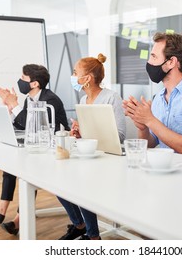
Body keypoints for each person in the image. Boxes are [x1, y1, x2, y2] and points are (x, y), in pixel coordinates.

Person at [0, 64, 69, 235]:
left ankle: (19, 220)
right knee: (11, 162)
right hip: (39, 144)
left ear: (35, 84)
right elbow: (23, 123)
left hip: (55, 148)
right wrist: (10, 108)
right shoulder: (30, 99)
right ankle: (1, 208)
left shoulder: (50, 100)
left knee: (28, 170)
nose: (20, 81)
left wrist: (15, 105)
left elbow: (36, 125)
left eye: (23, 78)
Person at [57, 53, 126, 240]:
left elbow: (119, 136)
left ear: (87, 78)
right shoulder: (82, 101)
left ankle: (93, 236)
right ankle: (80, 225)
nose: (72, 76)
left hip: (109, 160)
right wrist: (80, 132)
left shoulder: (111, 98)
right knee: (58, 183)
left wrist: (89, 132)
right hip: (90, 157)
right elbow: (89, 136)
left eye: (75, 72)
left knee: (81, 184)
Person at [123, 32, 182, 156]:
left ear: (171, 62)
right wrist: (143, 127)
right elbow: (150, 144)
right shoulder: (159, 98)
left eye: (154, 57)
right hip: (169, 169)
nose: (149, 62)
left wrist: (150, 120)